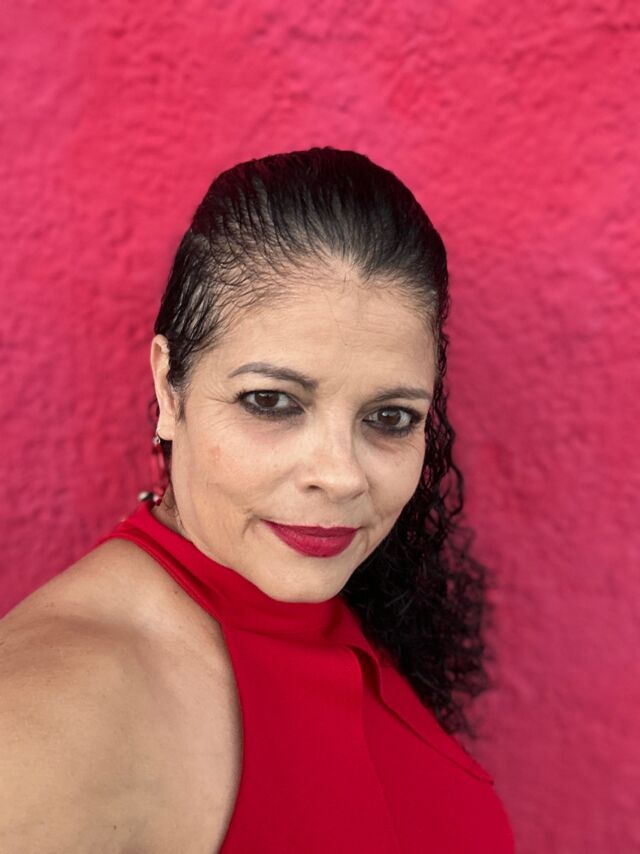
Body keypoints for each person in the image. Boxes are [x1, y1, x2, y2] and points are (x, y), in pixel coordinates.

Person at [0, 147, 515, 852]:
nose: (341, 475)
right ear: (169, 391)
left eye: (390, 417)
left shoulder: (344, 610)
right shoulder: (49, 716)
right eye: (270, 401)